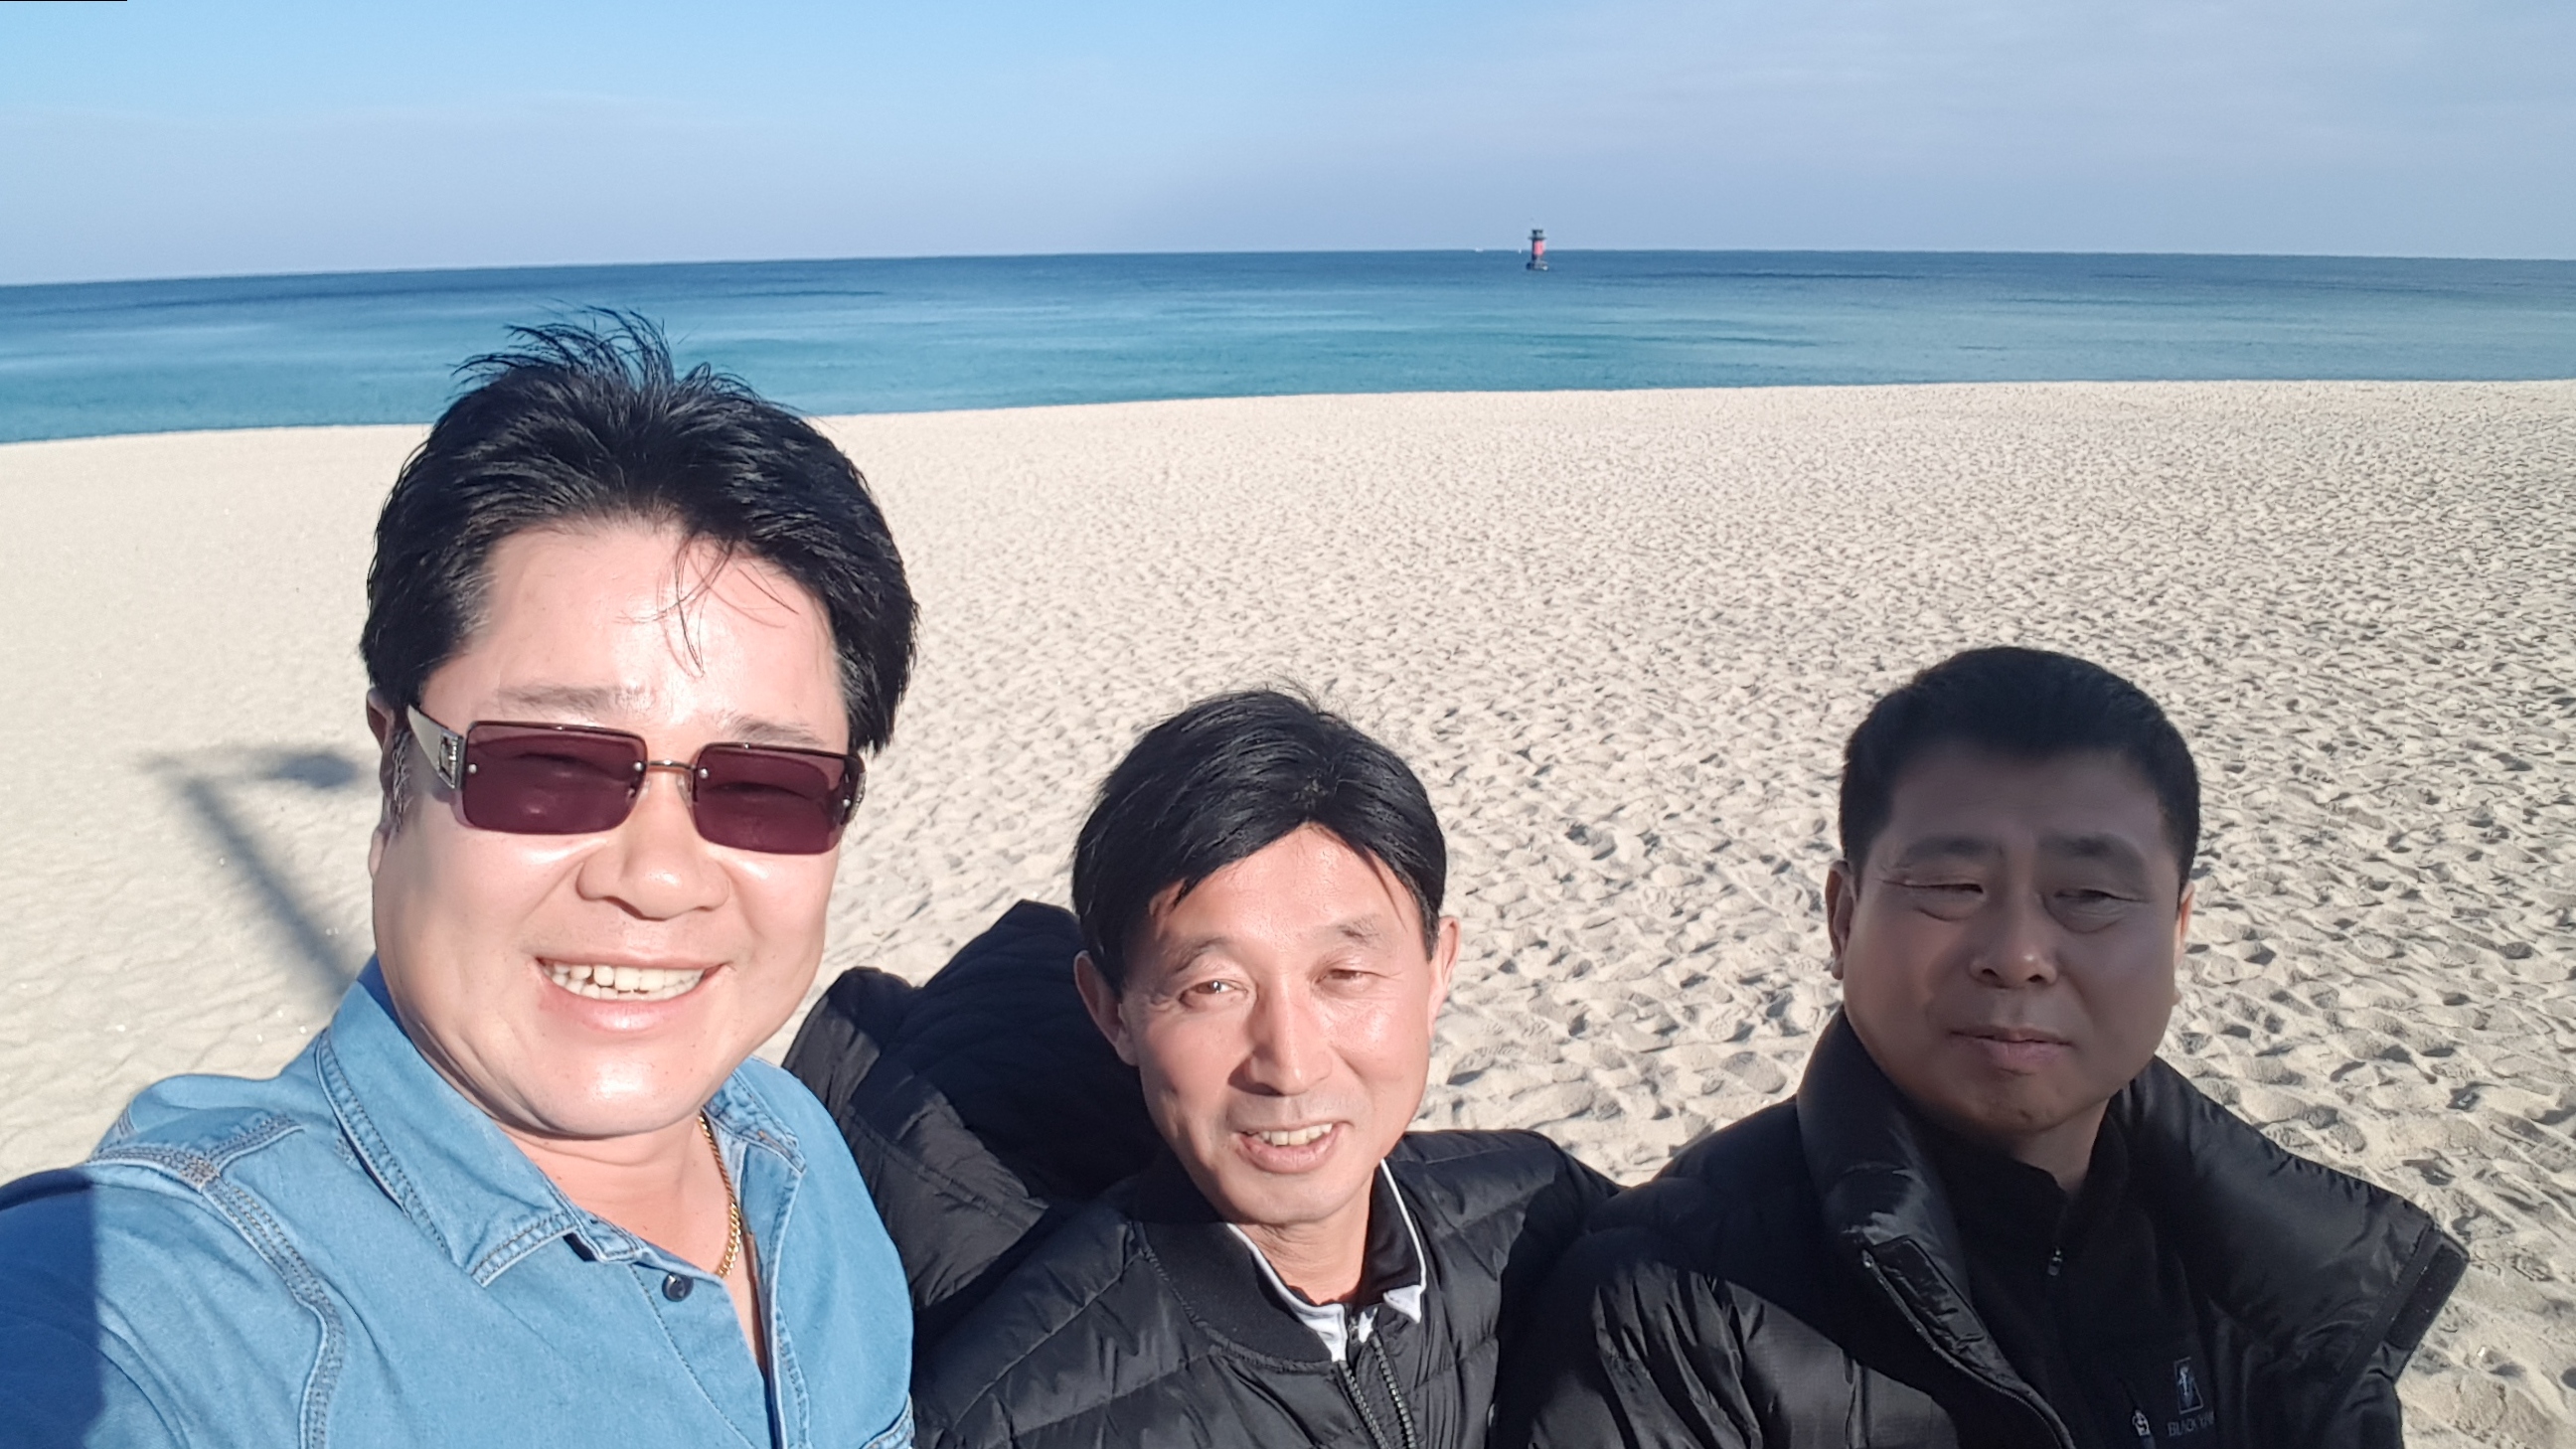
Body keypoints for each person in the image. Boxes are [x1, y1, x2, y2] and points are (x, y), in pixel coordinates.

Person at [0, 319, 920, 1448]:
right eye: (549, 768)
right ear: (396, 768)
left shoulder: (793, 1150)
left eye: (764, 787)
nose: (660, 875)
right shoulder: (167, 1305)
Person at [1495, 647, 2467, 1449]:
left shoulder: (2293, 1285)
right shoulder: (1674, 1304)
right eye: (1951, 887)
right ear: (1843, 918)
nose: (2018, 955)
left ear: (2178, 931)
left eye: (2089, 896)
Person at [786, 689, 1617, 1448]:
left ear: (1438, 971)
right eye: (1213, 987)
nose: (1290, 1065)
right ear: (1112, 1012)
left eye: (1344, 975)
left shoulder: (1541, 1213)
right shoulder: (1011, 1417)